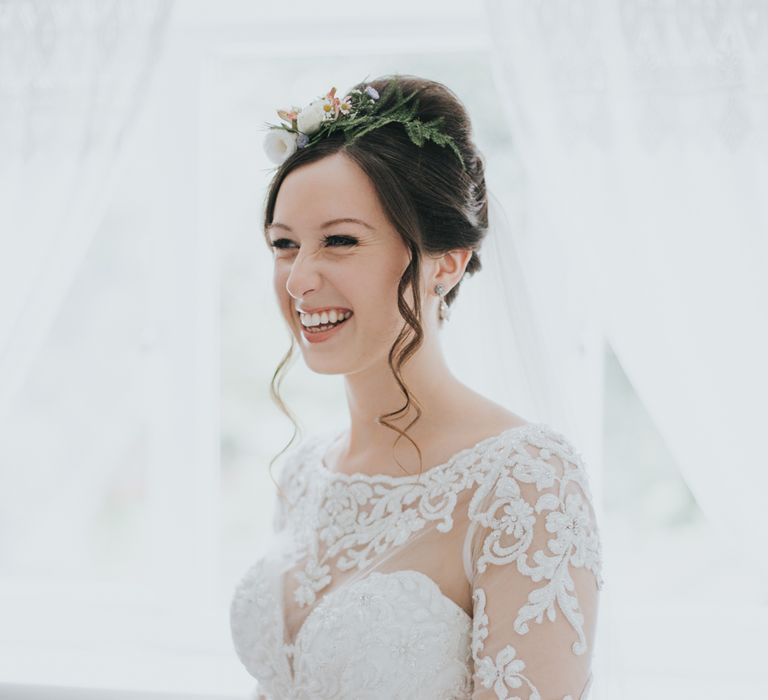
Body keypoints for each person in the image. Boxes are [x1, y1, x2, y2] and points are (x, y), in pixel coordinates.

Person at [230, 74, 605, 700]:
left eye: (340, 241)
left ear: (445, 262)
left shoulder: (525, 481)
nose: (297, 281)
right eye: (284, 245)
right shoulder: (303, 473)